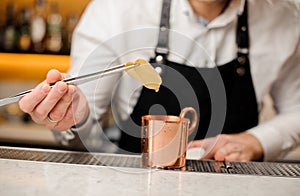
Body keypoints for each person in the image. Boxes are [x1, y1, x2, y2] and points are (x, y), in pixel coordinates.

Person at [19, 0, 300, 161]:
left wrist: (257, 141)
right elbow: (82, 125)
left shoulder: (284, 16)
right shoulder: (117, 8)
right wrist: (72, 112)